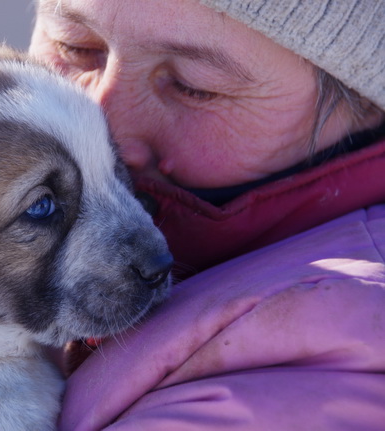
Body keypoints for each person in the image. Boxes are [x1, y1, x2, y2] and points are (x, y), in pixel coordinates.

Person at [28, 0, 385, 429]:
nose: (102, 128)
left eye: (194, 87)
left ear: (366, 105)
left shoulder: (327, 357)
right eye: (75, 46)